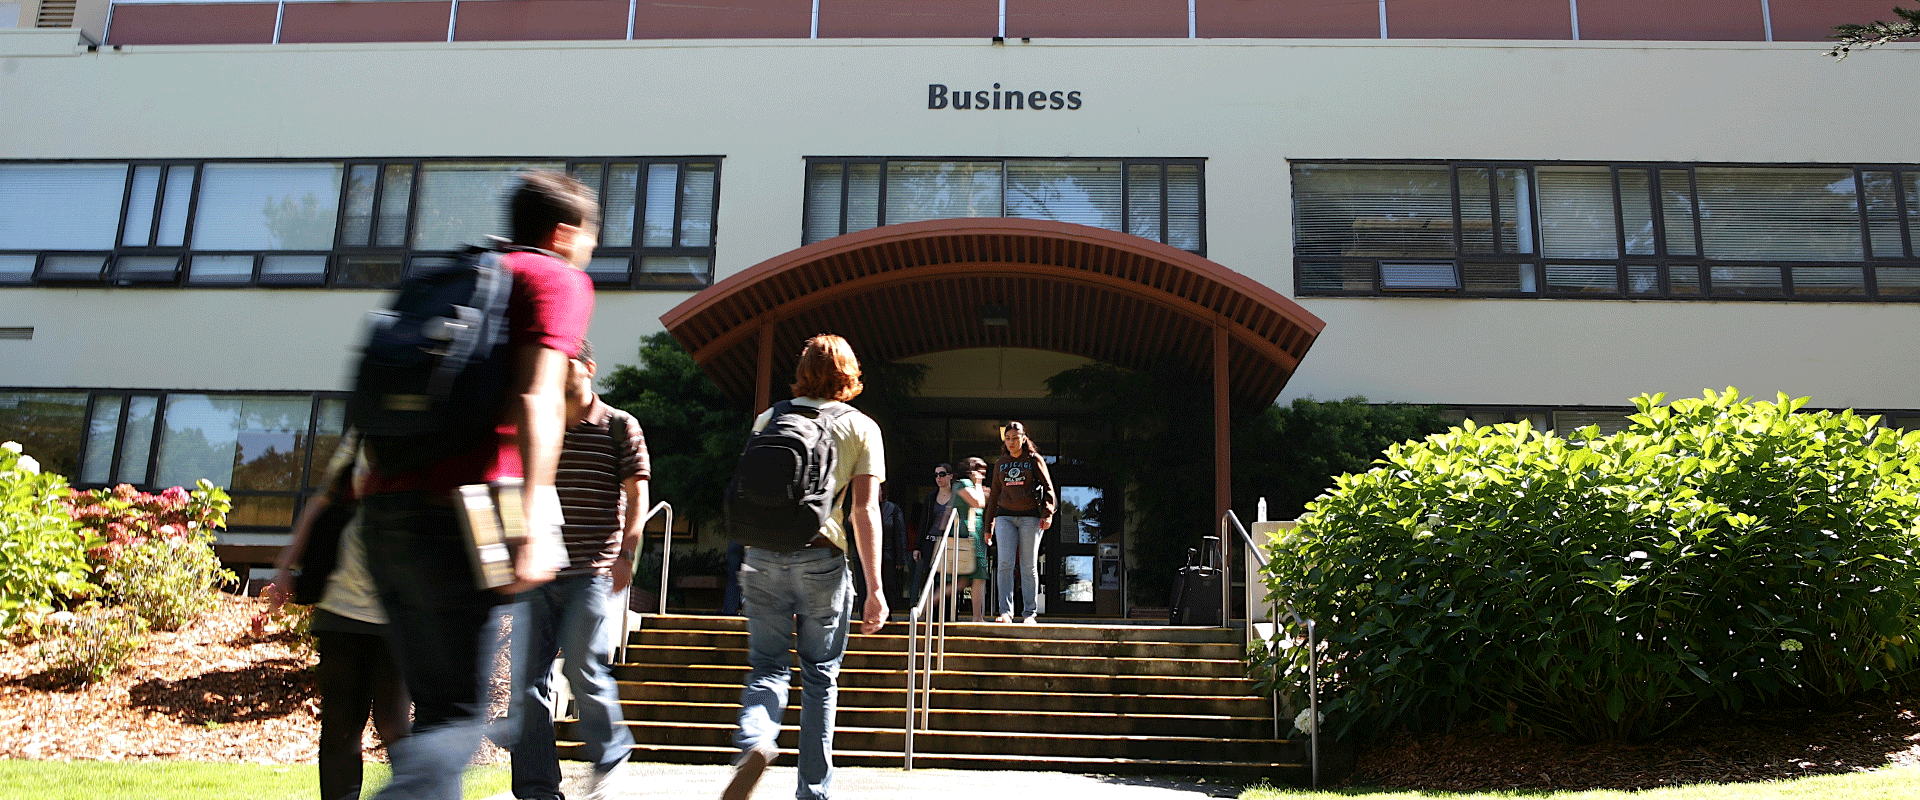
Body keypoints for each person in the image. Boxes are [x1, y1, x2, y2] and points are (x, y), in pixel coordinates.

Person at [360, 169, 597, 800]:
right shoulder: (553, 276)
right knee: (458, 730)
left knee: (439, 712)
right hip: (469, 506)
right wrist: (537, 520)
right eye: (589, 239)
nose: (590, 252)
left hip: (385, 511)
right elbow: (539, 396)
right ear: (565, 231)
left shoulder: (452, 278)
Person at [724, 334, 888, 800]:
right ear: (849, 373)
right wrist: (876, 588)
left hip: (761, 556)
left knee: (767, 666)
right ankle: (812, 791)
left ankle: (757, 740)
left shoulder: (771, 416)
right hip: (822, 557)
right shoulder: (861, 427)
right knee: (820, 676)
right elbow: (865, 511)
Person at [510, 339, 647, 800]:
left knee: (584, 668)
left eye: (563, 363)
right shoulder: (541, 425)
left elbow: (638, 493)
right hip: (539, 571)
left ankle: (611, 755)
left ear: (587, 367)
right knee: (526, 686)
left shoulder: (619, 426)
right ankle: (536, 789)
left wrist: (627, 553)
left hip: (592, 571)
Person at [264, 435, 410, 800]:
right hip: (341, 604)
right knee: (340, 729)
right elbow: (321, 501)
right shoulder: (360, 436)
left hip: (399, 611)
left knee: (393, 726)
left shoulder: (428, 434)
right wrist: (286, 566)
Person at [985, 421, 1055, 625]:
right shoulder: (1000, 463)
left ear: (1024, 438)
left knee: (1028, 566)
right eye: (1007, 439)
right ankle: (1005, 612)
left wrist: (1047, 514)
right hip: (1005, 517)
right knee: (1005, 563)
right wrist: (989, 525)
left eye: (1015, 438)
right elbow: (995, 494)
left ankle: (1029, 614)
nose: (1011, 442)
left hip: (1030, 518)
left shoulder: (1034, 460)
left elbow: (1048, 488)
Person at [920, 458, 988, 621]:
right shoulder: (963, 484)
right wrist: (978, 485)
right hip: (966, 537)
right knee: (974, 577)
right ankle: (976, 617)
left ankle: (923, 607)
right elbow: (978, 503)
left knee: (962, 581)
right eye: (981, 469)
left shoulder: (964, 486)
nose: (983, 473)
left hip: (971, 536)